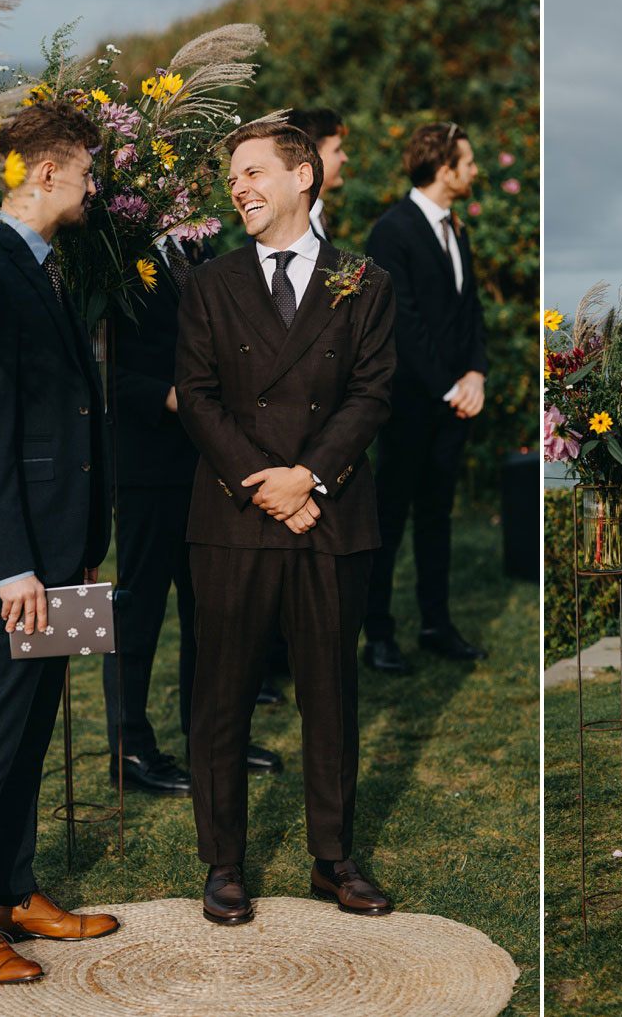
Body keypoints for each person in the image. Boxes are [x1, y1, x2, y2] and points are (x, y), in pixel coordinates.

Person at [175, 118, 397, 924]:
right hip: (233, 517)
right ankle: (223, 863)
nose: (239, 188)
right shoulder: (210, 282)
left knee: (331, 694)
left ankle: (334, 858)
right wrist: (260, 482)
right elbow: (195, 396)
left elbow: (373, 393)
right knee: (222, 694)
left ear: (305, 178)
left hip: (331, 516)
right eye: (232, 176)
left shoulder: (366, 279)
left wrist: (309, 478)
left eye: (254, 171)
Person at [0, 101, 119, 983]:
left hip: (58, 543)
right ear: (46, 173)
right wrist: (10, 567)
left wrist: (79, 542)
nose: (94, 183)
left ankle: (12, 891)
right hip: (13, 556)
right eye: (85, 169)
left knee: (36, 728)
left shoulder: (42, 266)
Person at [102, 229, 283, 798]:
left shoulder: (193, 253)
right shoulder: (112, 256)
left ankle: (211, 739)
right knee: (139, 614)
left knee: (211, 610)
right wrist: (174, 397)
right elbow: (98, 366)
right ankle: (130, 751)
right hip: (146, 463)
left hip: (204, 461)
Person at [361, 121, 488, 675]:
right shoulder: (392, 230)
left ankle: (436, 624)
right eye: (469, 160)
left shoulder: (456, 229)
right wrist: (449, 385)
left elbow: (470, 312)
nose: (476, 169)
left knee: (437, 516)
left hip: (455, 401)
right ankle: (379, 634)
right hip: (409, 403)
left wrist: (477, 374)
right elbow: (402, 323)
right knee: (388, 521)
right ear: (444, 169)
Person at [286, 107, 348, 244]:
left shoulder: (317, 217)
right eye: (336, 150)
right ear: (313, 156)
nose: (344, 158)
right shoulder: (287, 230)